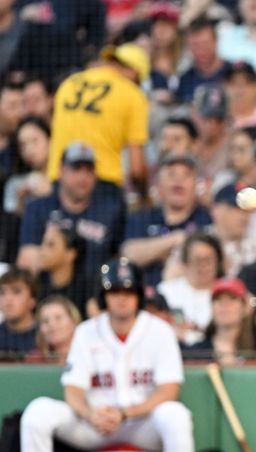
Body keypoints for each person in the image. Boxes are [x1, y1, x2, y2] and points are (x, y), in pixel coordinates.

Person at [19, 258, 194, 452]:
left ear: (139, 295)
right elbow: (73, 390)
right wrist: (91, 414)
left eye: (128, 291)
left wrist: (125, 414)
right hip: (94, 425)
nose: (121, 298)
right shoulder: (86, 331)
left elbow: (169, 391)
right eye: (114, 291)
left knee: (176, 416)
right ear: (103, 297)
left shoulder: (159, 331)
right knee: (37, 412)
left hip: (140, 424)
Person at [46, 43, 149, 196]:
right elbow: (136, 168)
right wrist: (144, 195)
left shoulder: (68, 84)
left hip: (60, 178)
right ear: (134, 72)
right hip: (102, 181)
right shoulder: (132, 94)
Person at [17, 142, 125, 277]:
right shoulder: (38, 208)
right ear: (60, 171)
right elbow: (27, 261)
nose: (83, 177)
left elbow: (119, 260)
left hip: (94, 291)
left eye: (89, 170)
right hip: (48, 292)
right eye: (76, 168)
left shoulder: (111, 211)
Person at [122, 153, 212, 288]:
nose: (178, 181)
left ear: (195, 185)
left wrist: (152, 251)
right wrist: (176, 239)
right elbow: (129, 254)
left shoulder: (205, 219)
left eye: (186, 175)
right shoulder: (142, 217)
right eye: (172, 174)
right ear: (159, 184)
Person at [157, 232, 225, 346]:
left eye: (208, 260)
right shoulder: (165, 291)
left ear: (218, 263)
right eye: (197, 260)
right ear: (185, 262)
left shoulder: (227, 293)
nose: (203, 265)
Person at [184, 277, 256, 365]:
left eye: (232, 298)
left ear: (244, 307)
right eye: (218, 299)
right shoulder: (195, 352)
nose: (225, 304)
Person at [36, 224, 90, 318]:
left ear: (71, 254)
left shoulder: (86, 291)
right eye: (42, 243)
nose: (42, 250)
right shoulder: (36, 285)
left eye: (50, 245)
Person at [26, 295, 82, 364]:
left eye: (58, 318)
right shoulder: (35, 359)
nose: (51, 324)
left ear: (74, 321)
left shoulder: (91, 354)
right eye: (45, 321)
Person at [0, 267, 37, 358]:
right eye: (2, 292)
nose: (8, 299)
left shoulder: (47, 336)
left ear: (32, 300)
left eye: (16, 292)